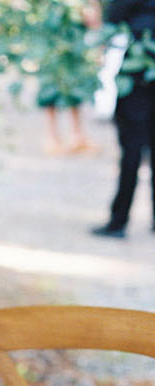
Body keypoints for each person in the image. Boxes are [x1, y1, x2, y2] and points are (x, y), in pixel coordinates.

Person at [92, 0, 155, 235]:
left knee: (131, 149)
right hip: (138, 71)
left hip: (136, 76)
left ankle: (119, 221)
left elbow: (110, 24)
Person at [36, 1, 103, 153]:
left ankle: (76, 135)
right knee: (49, 85)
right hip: (50, 36)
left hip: (73, 36)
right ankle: (53, 137)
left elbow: (92, 14)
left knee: (74, 86)